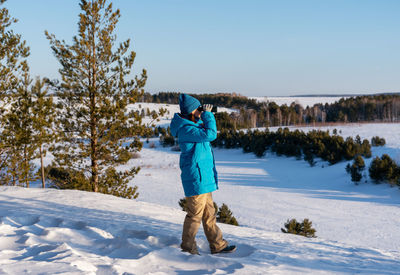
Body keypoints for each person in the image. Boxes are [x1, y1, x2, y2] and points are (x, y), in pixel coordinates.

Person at [170, 93, 236, 255]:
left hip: (203, 178)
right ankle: (187, 249)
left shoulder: (194, 125)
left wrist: (204, 115)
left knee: (209, 214)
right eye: (199, 109)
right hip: (196, 178)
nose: (202, 111)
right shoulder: (186, 129)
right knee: (194, 216)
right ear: (192, 111)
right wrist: (208, 115)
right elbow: (211, 134)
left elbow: (206, 131)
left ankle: (218, 245)